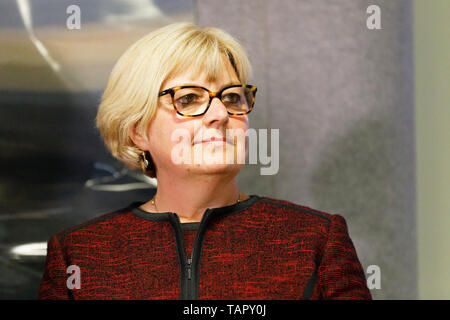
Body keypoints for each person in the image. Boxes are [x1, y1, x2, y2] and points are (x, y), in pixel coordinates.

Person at [38, 22, 371, 300]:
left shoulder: (316, 240)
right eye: (188, 98)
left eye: (232, 97)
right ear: (138, 131)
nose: (220, 114)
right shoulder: (80, 254)